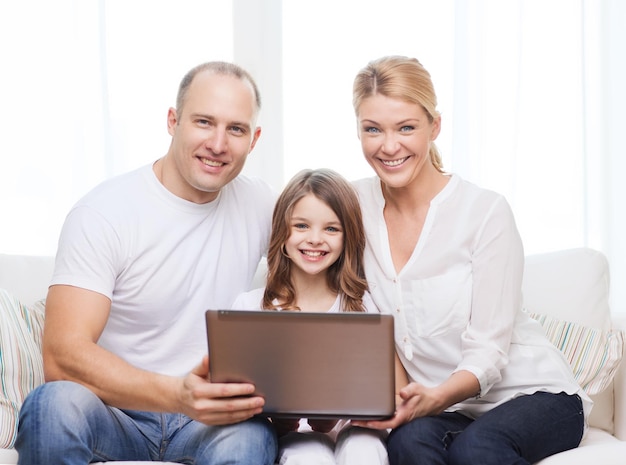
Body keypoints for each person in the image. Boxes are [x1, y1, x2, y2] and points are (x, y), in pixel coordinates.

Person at [15, 61, 278, 464]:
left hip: (209, 422)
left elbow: (325, 264)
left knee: (251, 437)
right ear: (173, 121)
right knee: (52, 405)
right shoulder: (104, 212)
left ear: (254, 139)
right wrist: (178, 395)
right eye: (204, 122)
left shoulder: (261, 205)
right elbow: (61, 356)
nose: (219, 144)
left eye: (236, 129)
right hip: (116, 411)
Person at [349, 55, 591, 465]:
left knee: (476, 449)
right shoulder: (352, 207)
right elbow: (365, 317)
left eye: (406, 127)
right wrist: (405, 400)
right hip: (448, 409)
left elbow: (488, 350)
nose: (389, 146)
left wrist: (435, 397)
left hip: (534, 394)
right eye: (373, 130)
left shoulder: (484, 212)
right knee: (406, 444)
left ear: (434, 127)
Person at [232, 168, 409, 465]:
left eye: (331, 229)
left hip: (355, 428)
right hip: (292, 434)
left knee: (364, 450)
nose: (315, 239)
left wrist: (343, 413)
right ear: (282, 233)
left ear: (347, 237)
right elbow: (234, 399)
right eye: (301, 226)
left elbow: (399, 395)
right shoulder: (251, 307)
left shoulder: (364, 304)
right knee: (309, 455)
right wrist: (280, 420)